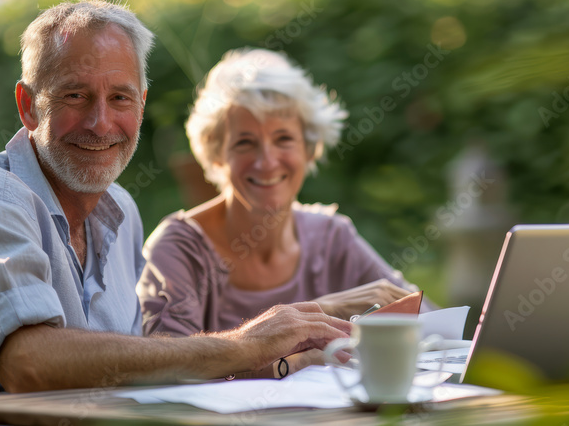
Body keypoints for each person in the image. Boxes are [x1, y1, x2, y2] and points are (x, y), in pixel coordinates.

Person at [0, 0, 351, 424]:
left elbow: (131, 371)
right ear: (28, 106)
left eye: (120, 98)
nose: (101, 122)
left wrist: (266, 363)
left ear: (142, 105)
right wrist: (244, 344)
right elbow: (29, 364)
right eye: (74, 95)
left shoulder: (121, 211)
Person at [136, 49, 425, 368]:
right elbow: (164, 366)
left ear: (310, 147)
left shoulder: (331, 236)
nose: (267, 162)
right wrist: (321, 311)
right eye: (245, 142)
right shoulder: (180, 247)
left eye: (284, 139)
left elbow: (430, 323)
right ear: (217, 153)